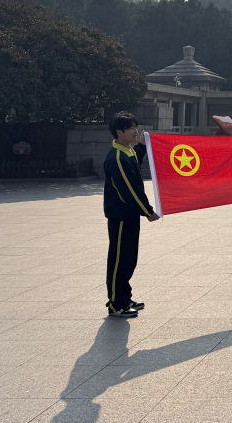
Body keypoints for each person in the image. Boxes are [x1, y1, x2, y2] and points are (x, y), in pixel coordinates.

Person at [103, 112, 160, 319]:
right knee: (119, 260)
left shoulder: (127, 152)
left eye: (136, 127)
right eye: (131, 129)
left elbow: (136, 163)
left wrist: (142, 147)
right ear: (119, 132)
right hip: (121, 216)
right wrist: (147, 211)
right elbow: (129, 191)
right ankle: (116, 304)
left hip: (129, 215)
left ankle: (125, 298)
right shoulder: (118, 158)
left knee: (128, 258)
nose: (136, 131)